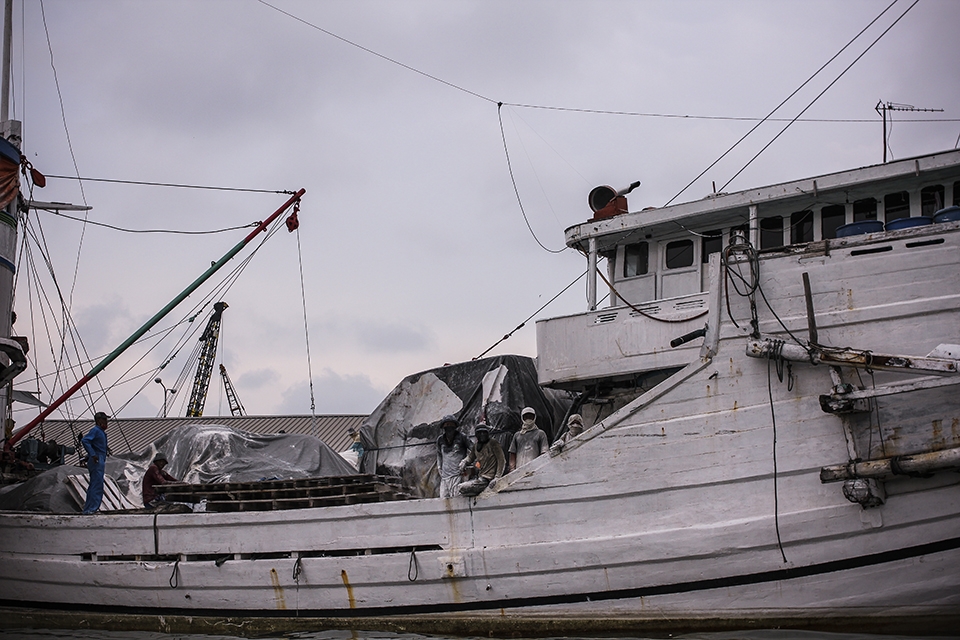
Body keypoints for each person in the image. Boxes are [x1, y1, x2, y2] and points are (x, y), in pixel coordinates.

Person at [458, 423, 505, 497]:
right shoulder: (476, 446)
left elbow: (501, 460)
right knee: (460, 489)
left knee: (462, 487)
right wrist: (464, 462)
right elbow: (470, 457)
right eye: (480, 433)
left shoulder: (493, 443)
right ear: (476, 434)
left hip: (488, 479)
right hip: (480, 477)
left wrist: (497, 477)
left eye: (484, 432)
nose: (482, 434)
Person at [80, 411, 109, 514]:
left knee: (94, 484)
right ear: (99, 420)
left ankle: (89, 508)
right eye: (104, 420)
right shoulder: (96, 430)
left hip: (98, 457)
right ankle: (92, 509)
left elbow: (95, 444)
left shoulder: (101, 432)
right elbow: (85, 440)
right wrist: (92, 454)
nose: (106, 422)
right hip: (97, 459)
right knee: (97, 485)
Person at [435, 415, 468, 498]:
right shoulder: (440, 440)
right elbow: (439, 454)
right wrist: (439, 467)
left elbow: (474, 450)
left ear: (455, 426)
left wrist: (466, 461)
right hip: (445, 476)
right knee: (443, 499)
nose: (449, 427)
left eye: (451, 425)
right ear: (443, 427)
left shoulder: (462, 437)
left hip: (457, 474)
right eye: (447, 425)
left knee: (457, 499)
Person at [508, 406, 548, 471]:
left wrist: (541, 468)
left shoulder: (540, 434)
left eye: (530, 417)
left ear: (534, 417)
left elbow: (544, 453)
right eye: (526, 417)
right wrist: (512, 469)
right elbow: (512, 453)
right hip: (519, 470)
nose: (528, 419)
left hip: (535, 470)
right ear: (522, 418)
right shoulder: (517, 435)